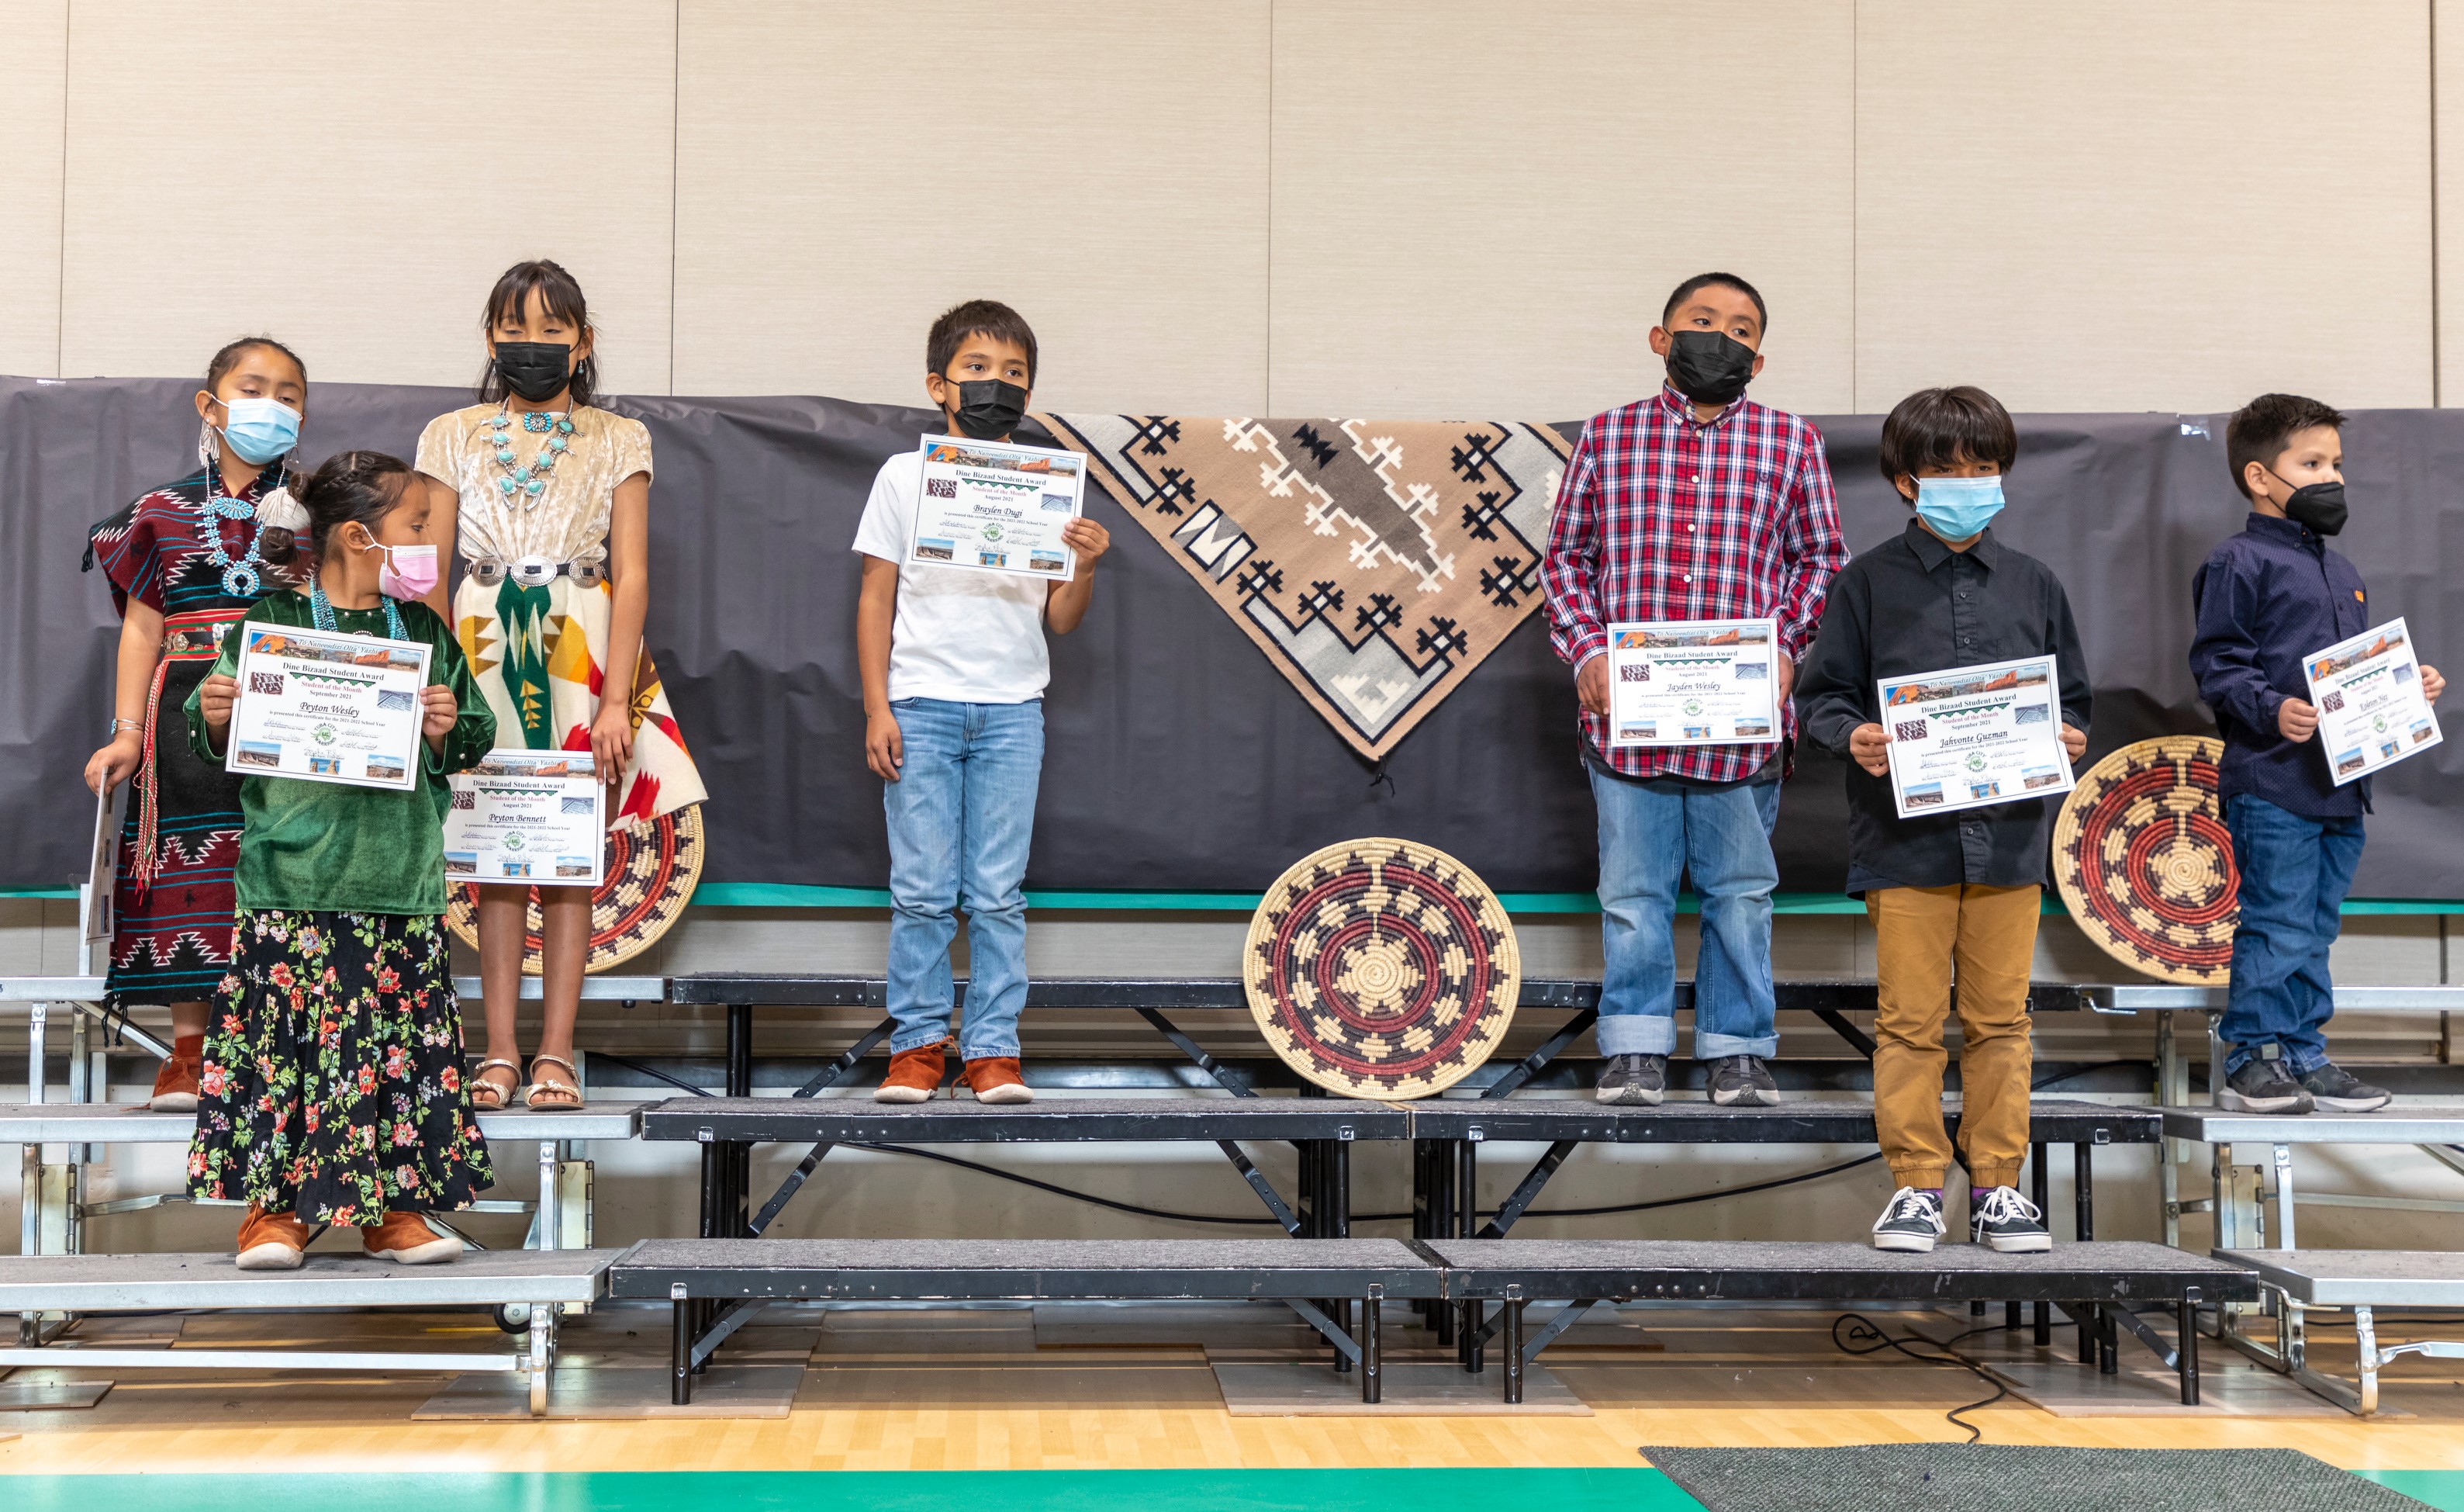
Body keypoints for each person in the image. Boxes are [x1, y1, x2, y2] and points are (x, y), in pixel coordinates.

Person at [1540, 272, 1849, 1108]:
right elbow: (1566, 560)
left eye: (1741, 327)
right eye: (1703, 320)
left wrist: (1788, 647)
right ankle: (1635, 1048)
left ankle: (1737, 1050)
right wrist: (1587, 651)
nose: (1722, 335)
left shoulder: (1792, 443)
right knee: (1634, 895)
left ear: (1759, 354)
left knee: (1741, 896)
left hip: (1741, 724)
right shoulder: (1606, 438)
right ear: (1661, 337)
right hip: (1628, 721)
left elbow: (1821, 558)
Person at [185, 451, 496, 1268]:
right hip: (290, 879)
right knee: (287, 1048)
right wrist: (217, 710)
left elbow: (475, 735)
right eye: (417, 527)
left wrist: (446, 722)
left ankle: (393, 1210)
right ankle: (273, 1212)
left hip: (397, 882)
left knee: (394, 1051)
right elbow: (207, 733)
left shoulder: (422, 630)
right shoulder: (271, 626)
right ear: (360, 536)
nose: (431, 541)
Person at [1795, 386, 2089, 1253]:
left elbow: (2073, 702)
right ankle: (1918, 1185)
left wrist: (2069, 732)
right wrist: (1855, 736)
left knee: (2003, 1019)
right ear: (1903, 480)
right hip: (1903, 841)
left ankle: (1999, 1186)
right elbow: (1821, 698)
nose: (1968, 481)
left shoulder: (2036, 583)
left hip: (2009, 839)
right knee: (1910, 1022)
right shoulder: (1864, 583)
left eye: (1984, 466)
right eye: (1946, 469)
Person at [416, 259, 707, 1112]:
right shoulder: (451, 432)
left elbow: (635, 573)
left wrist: (616, 696)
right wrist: (438, 677)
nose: (532, 345)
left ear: (582, 344)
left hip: (579, 640)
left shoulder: (621, 438)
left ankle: (556, 1052)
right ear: (490, 338)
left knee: (570, 850)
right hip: (477, 643)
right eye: (515, 329)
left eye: (552, 330)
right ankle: (499, 1051)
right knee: (499, 850)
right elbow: (430, 572)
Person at [852, 299, 1111, 1104]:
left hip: (1011, 710)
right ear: (939, 384)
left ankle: (994, 1049)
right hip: (922, 703)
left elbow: (1059, 619)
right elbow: (874, 596)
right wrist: (877, 706)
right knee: (923, 889)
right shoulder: (904, 474)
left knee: (998, 893)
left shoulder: (1050, 487)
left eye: (1013, 374)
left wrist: (1087, 567)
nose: (995, 385)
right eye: (976, 370)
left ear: (1030, 394)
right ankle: (919, 1045)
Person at [2189, 395, 2443, 1114]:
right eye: (2311, 464)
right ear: (2259, 477)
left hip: (2341, 785)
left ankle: (2304, 1055)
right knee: (2276, 917)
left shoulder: (2344, 571)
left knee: (2316, 923)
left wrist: (2406, 683)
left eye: (2335, 463)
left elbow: (2351, 672)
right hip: (2271, 782)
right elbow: (2217, 664)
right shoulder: (2235, 561)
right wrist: (2273, 708)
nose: (2331, 477)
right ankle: (2250, 1057)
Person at [84, 337, 311, 1112]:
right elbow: (143, 632)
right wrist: (123, 732)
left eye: (289, 393)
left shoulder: (322, 510)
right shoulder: (162, 510)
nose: (273, 404)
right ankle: (188, 1054)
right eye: (255, 388)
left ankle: (280, 1048)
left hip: (295, 708)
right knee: (192, 874)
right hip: (184, 710)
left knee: (281, 874)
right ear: (209, 405)